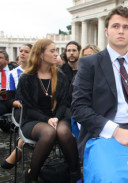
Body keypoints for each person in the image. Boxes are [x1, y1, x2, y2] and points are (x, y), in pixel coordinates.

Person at [71, 6, 128, 160]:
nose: (121, 31)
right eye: (115, 26)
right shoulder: (89, 63)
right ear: (106, 31)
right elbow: (79, 107)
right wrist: (115, 131)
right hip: (103, 133)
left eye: (126, 27)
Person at [18, 39, 81, 183]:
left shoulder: (59, 76)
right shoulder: (26, 79)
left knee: (64, 132)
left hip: (57, 117)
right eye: (52, 51)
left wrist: (56, 118)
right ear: (40, 54)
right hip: (33, 120)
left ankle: (74, 174)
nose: (56, 54)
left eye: (56, 51)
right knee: (49, 132)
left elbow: (63, 103)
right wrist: (47, 119)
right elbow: (28, 109)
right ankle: (32, 177)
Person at [1, 44, 32, 170]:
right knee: (27, 114)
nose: (22, 54)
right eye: (21, 51)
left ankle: (20, 144)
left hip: (37, 108)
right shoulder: (13, 73)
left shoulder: (39, 71)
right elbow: (9, 99)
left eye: (26, 51)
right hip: (21, 108)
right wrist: (17, 103)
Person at [0, 50, 12, 133]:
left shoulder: (14, 69)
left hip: (13, 100)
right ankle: (6, 127)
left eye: (0, 58)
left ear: (7, 60)